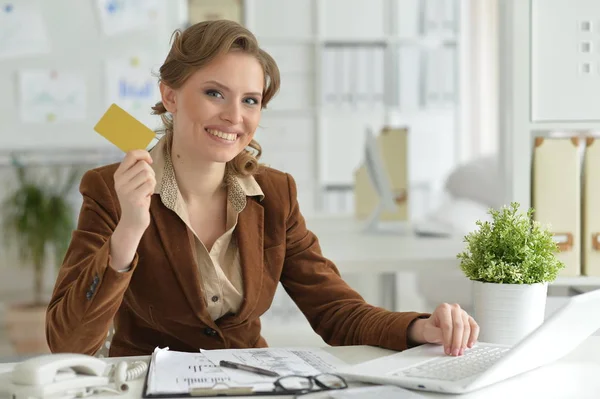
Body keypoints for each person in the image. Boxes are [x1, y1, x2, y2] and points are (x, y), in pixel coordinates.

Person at [46, 20, 478, 358]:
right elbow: (68, 343)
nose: (234, 116)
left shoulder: (275, 194)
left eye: (250, 100)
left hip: (250, 385)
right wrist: (128, 233)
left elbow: (333, 309)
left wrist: (418, 328)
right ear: (171, 96)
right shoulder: (108, 189)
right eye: (215, 93)